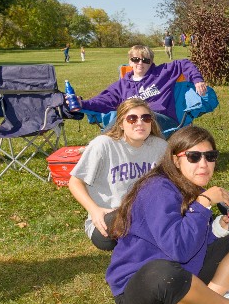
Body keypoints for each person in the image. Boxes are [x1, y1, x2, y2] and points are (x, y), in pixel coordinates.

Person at [105, 126, 229, 304]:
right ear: (175, 160)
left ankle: (205, 300)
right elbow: (179, 249)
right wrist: (204, 202)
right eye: (194, 157)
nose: (204, 164)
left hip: (185, 271)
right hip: (143, 290)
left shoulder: (192, 188)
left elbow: (193, 241)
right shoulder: (157, 188)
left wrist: (220, 227)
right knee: (162, 272)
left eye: (210, 156)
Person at [68, 98, 167, 251]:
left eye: (146, 118)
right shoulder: (103, 145)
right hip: (113, 214)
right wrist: (94, 210)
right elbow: (75, 182)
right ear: (121, 123)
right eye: (132, 118)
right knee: (105, 239)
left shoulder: (160, 147)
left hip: (148, 213)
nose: (139, 123)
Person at [79, 45, 209, 134]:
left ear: (151, 62)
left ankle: (106, 145)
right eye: (135, 59)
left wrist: (197, 79)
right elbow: (103, 100)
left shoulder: (162, 72)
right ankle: (102, 146)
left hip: (163, 121)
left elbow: (184, 63)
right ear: (130, 62)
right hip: (132, 123)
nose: (140, 63)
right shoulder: (122, 85)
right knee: (124, 118)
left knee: (135, 116)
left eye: (145, 60)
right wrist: (82, 104)